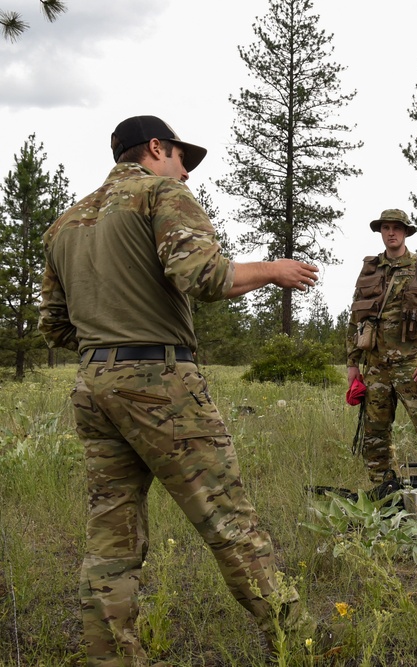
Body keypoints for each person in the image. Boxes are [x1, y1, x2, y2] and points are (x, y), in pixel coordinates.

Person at [39, 115, 322, 665]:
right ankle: (303, 643)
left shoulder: (64, 225)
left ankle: (110, 655)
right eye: (181, 160)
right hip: (159, 384)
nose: (186, 175)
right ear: (154, 148)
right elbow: (205, 276)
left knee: (111, 534)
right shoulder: (160, 194)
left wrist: (109, 329)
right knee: (229, 520)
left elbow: (55, 326)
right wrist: (275, 270)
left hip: (95, 384)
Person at [346, 209, 417, 485]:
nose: (391, 233)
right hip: (376, 367)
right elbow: (355, 318)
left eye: (396, 228)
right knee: (375, 434)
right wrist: (352, 363)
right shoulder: (370, 270)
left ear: (406, 232)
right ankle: (385, 492)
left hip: (414, 367)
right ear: (380, 232)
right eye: (386, 228)